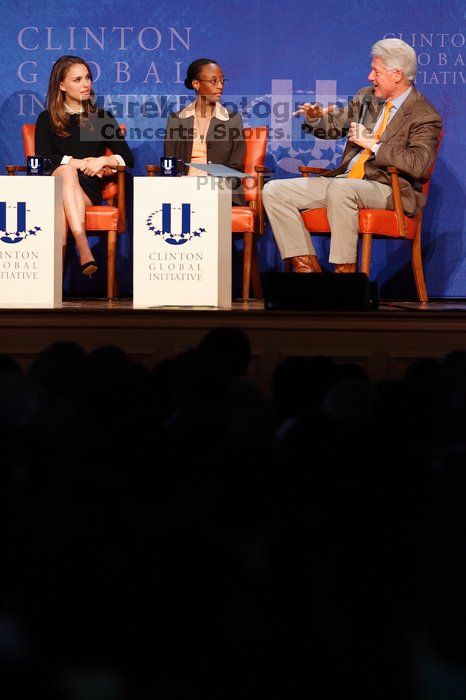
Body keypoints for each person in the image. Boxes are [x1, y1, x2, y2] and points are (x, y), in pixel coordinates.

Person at [262, 38, 442, 273]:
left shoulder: (424, 115)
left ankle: (344, 275)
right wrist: (315, 118)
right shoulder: (368, 97)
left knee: (342, 190)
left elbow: (418, 164)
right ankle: (307, 269)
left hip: (388, 189)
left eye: (376, 71)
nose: (370, 77)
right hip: (346, 182)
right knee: (274, 190)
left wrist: (373, 144)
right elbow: (335, 125)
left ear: (397, 75)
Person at [35, 55, 134, 276]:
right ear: (61, 85)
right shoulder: (47, 119)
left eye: (87, 78)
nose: (85, 84)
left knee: (63, 195)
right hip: (54, 188)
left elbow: (128, 158)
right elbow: (43, 159)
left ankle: (50, 286)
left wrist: (103, 160)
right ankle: (83, 246)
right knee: (66, 171)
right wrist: (77, 162)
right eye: (77, 79)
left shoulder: (101, 118)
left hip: (87, 190)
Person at [164, 58, 246, 205]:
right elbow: (170, 164)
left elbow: (235, 166)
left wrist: (210, 187)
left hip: (219, 190)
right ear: (196, 84)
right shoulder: (176, 119)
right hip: (183, 189)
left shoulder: (232, 120)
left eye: (222, 81)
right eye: (214, 81)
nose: (220, 86)